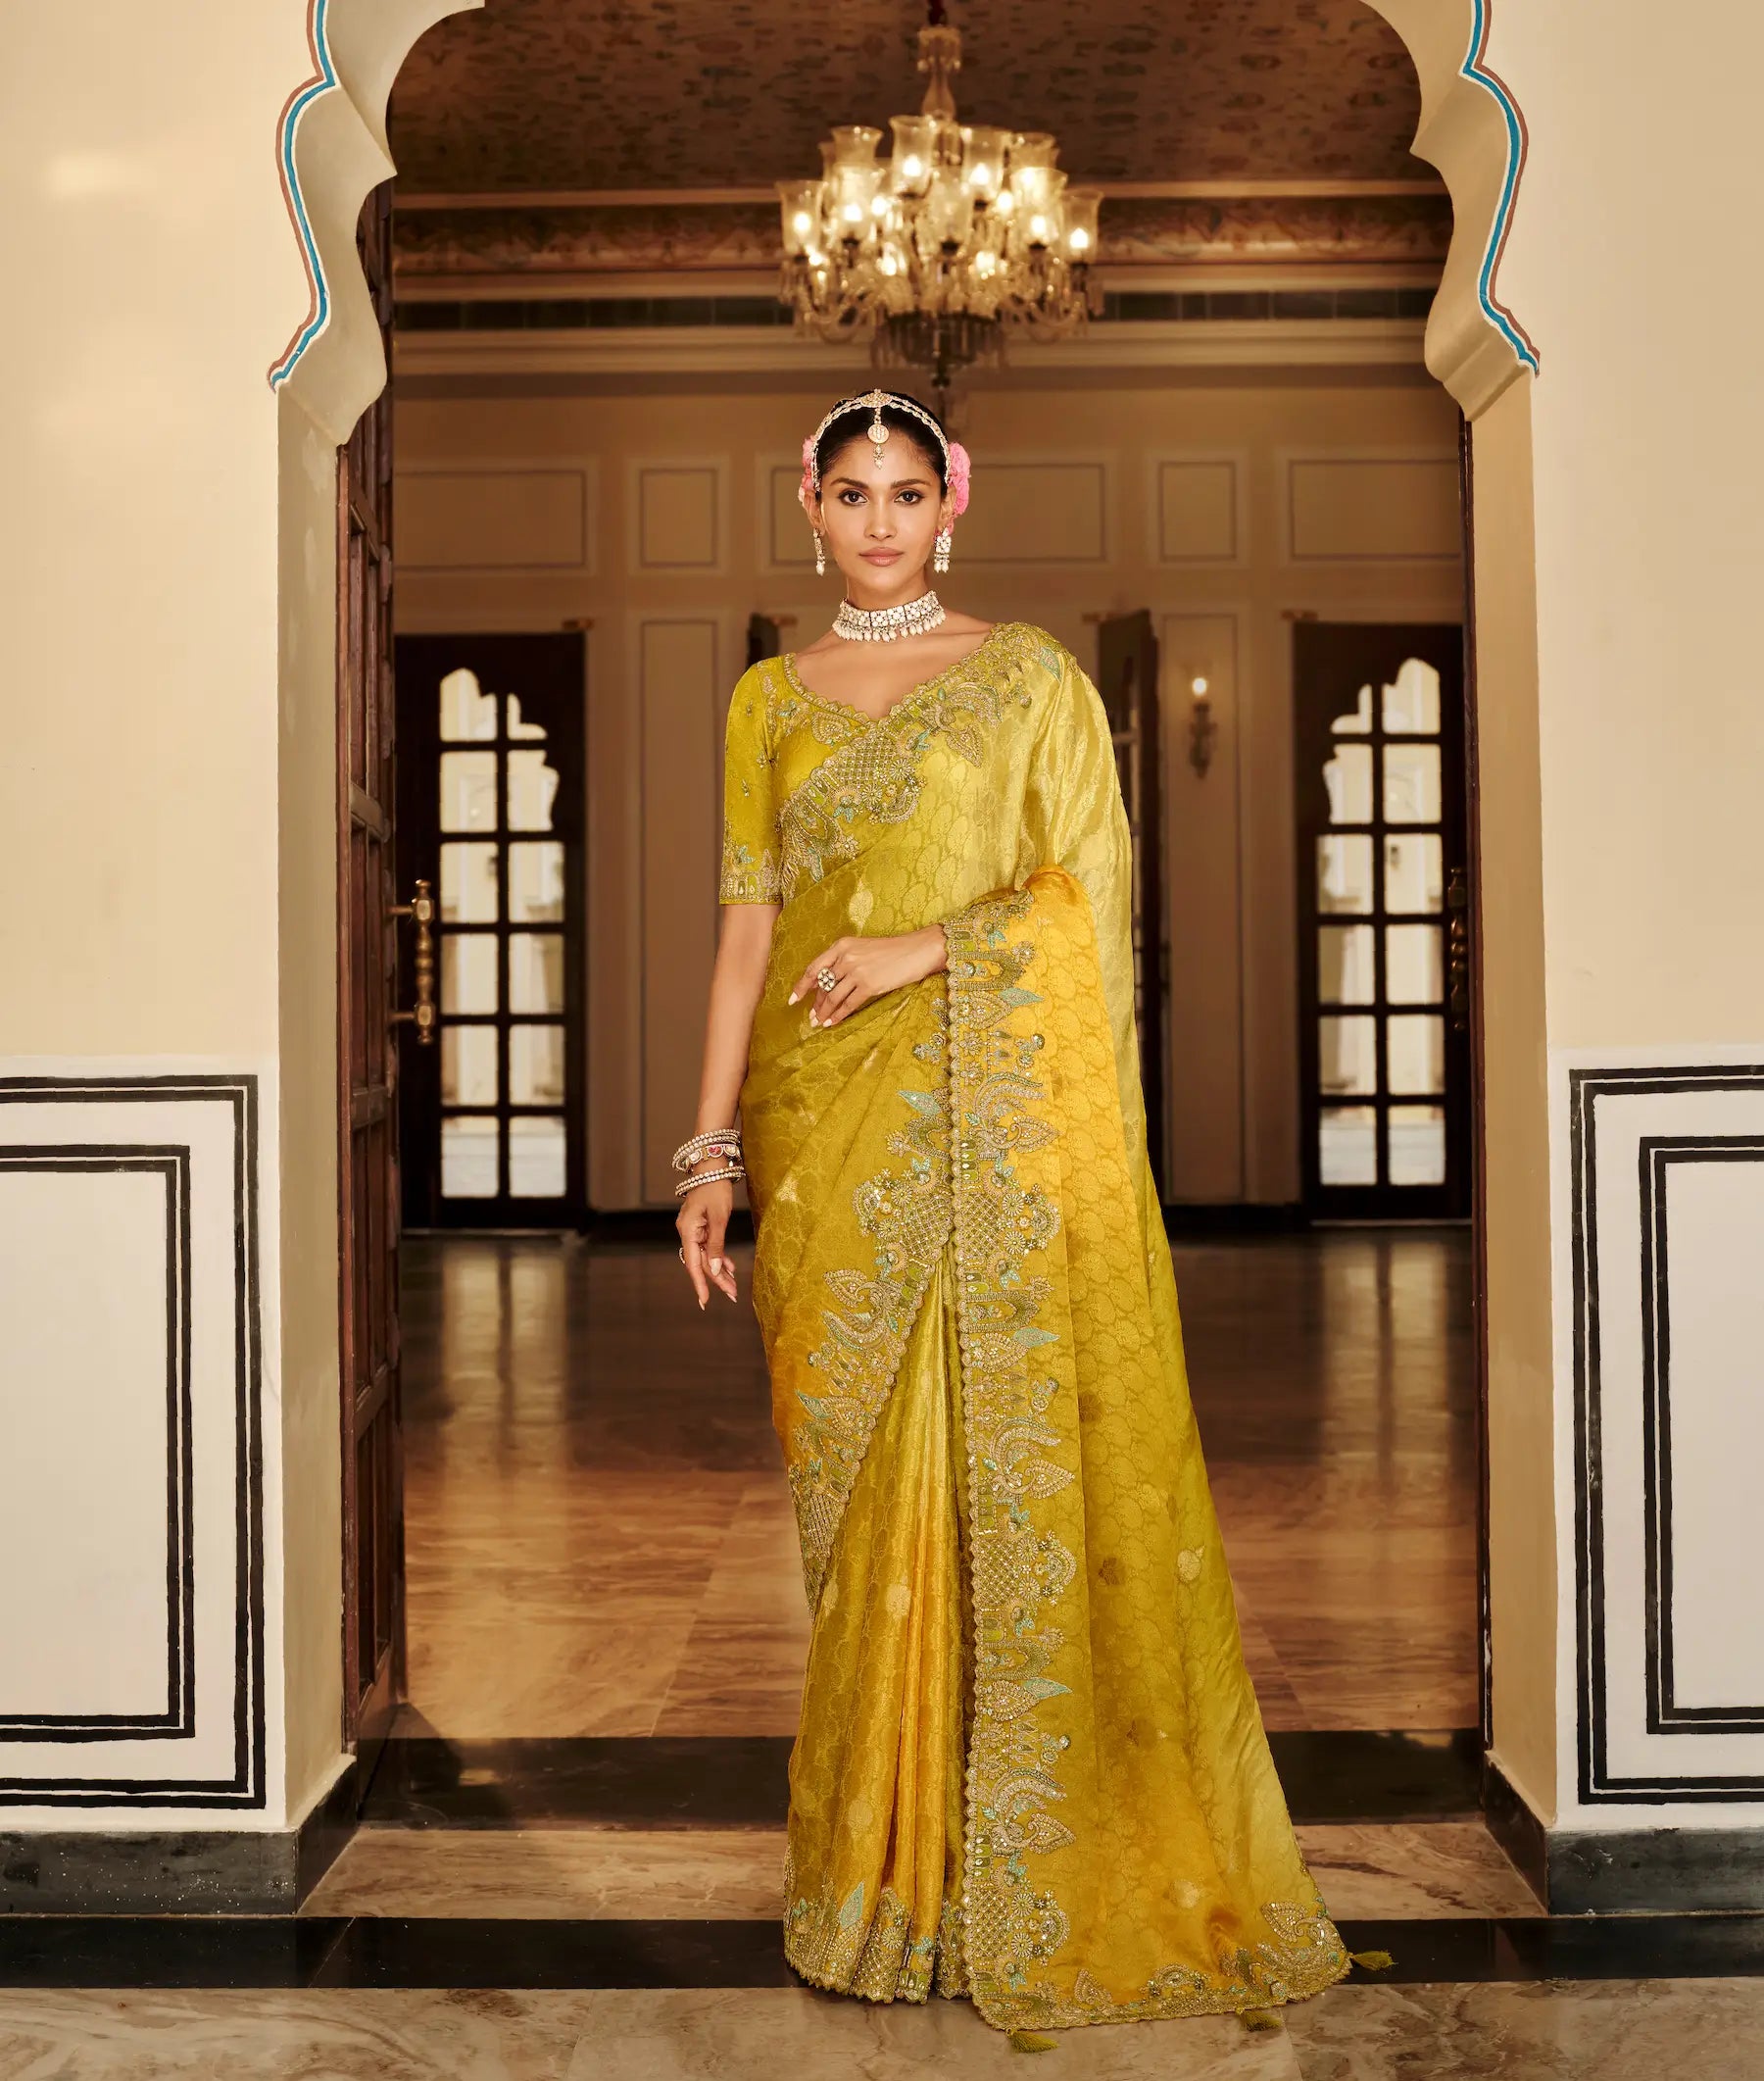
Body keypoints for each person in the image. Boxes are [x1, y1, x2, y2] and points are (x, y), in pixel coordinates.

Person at [673, 388, 1350, 2035]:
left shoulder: (1031, 678)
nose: (880, 521)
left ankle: (1007, 1874)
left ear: (952, 504)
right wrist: (708, 1149)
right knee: (860, 1519)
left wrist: (933, 947)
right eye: (852, 493)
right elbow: (748, 930)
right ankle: (883, 1882)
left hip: (991, 1135)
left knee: (996, 1480)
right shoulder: (766, 701)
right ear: (807, 504)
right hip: (823, 1133)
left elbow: (1087, 899)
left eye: (907, 492)